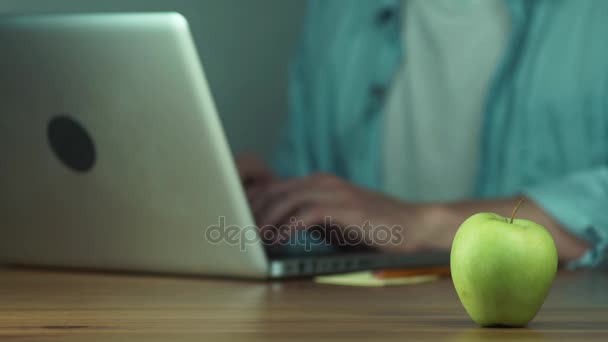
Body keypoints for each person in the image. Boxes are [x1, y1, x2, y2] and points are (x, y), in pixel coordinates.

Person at [237, 0, 608, 269]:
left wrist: (424, 222)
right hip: (368, 319)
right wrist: (265, 206)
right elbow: (317, 198)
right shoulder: (335, 14)